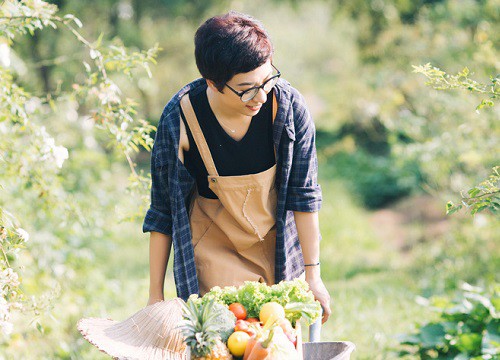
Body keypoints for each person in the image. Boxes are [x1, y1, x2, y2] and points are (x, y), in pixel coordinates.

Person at [143, 11, 331, 323]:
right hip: (214, 250)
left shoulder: (288, 108)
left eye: (267, 79)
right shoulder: (180, 119)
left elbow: (304, 194)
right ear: (212, 83)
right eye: (246, 88)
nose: (260, 95)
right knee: (225, 344)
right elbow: (163, 210)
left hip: (277, 245)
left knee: (277, 342)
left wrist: (313, 275)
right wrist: (154, 296)